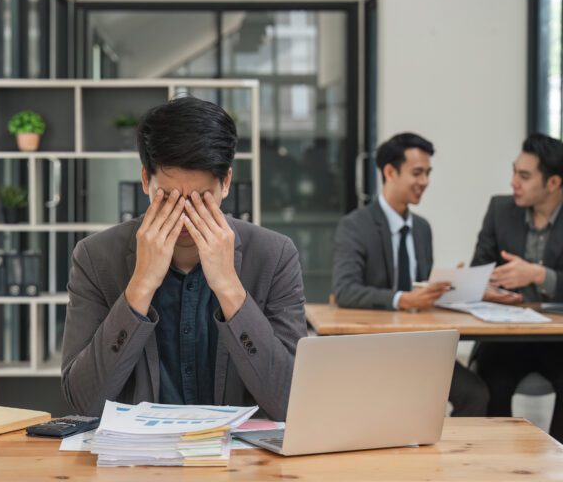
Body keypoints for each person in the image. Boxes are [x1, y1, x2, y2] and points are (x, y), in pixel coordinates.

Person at [61, 96, 308, 420]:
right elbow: (81, 402)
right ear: (146, 181)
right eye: (169, 198)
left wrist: (230, 289)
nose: (185, 216)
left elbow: (292, 402)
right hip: (135, 463)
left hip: (244, 466)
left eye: (201, 199)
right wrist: (141, 285)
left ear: (226, 183)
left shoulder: (274, 256)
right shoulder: (96, 257)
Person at [332, 132, 489, 416]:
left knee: (476, 394)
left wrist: (447, 286)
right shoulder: (355, 225)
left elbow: (420, 288)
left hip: (421, 345)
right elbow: (345, 290)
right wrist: (404, 299)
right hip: (374, 348)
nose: (425, 181)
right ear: (389, 172)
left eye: (428, 173)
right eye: (417, 173)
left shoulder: (422, 229)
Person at [471, 133, 563, 441]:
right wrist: (488, 286)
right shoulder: (500, 210)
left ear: (553, 183)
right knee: (491, 381)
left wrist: (539, 275)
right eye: (514, 172)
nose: (513, 182)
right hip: (506, 337)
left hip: (557, 340)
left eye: (524, 176)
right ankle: (498, 465)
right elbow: (478, 271)